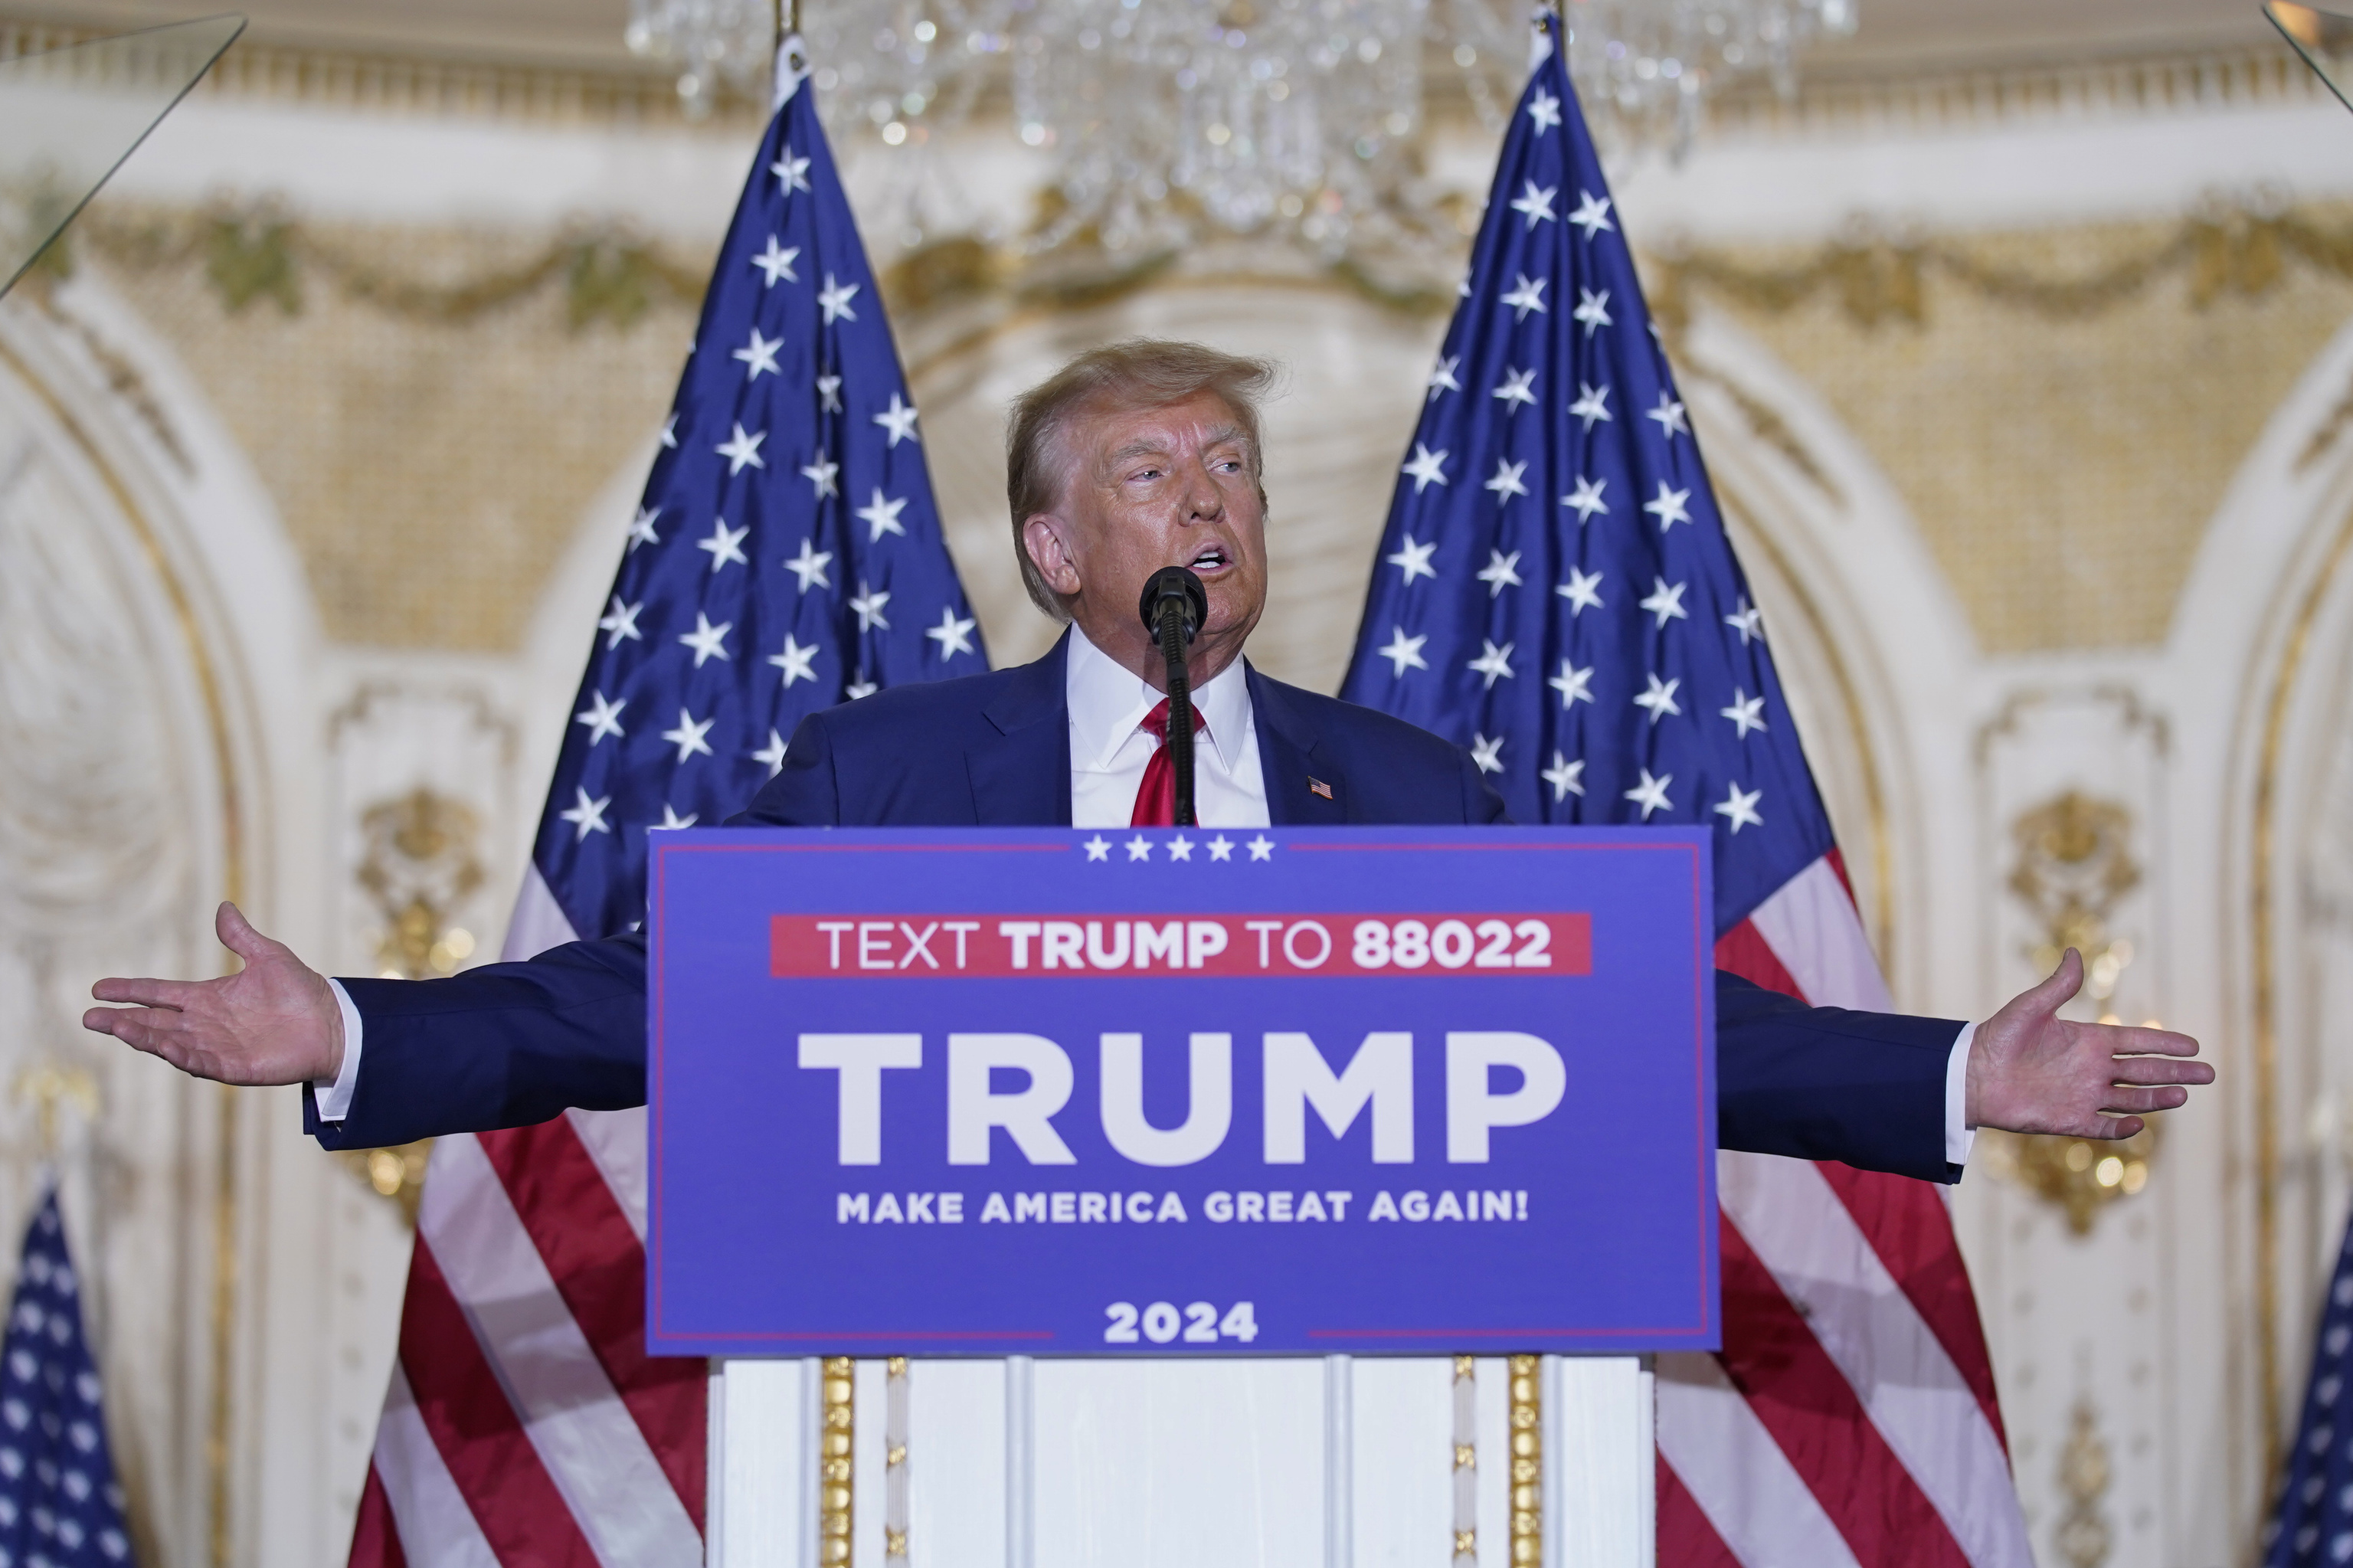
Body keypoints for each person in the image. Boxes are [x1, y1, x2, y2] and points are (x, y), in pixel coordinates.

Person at [80, 341, 2211, 1180]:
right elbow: (624, 1005)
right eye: (1146, 473)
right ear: (1046, 544)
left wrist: (1951, 1074)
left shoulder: (1420, 796)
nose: (1206, 506)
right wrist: (356, 1024)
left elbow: (1638, 1037)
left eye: (1233, 475)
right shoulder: (886, 772)